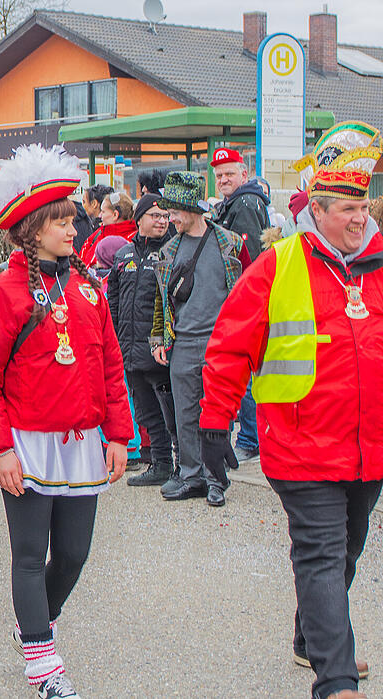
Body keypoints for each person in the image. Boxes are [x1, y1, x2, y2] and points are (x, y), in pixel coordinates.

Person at [199, 121, 383, 699]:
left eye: (364, 207)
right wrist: (214, 421)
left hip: (371, 444)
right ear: (318, 209)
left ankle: (311, 635)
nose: (359, 218)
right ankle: (336, 680)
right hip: (300, 445)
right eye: (346, 209)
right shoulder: (279, 265)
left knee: (348, 548)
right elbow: (230, 346)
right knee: (322, 553)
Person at [0, 145, 131, 699]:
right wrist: (0, 450)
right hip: (26, 445)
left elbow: (111, 365)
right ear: (32, 231)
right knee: (28, 555)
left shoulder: (88, 289)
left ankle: (34, 625)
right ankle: (43, 663)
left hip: (84, 441)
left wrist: (117, 434)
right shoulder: (0, 295)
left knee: (76, 554)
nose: (71, 227)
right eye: (60, 221)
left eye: (71, 218)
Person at [150, 172, 244, 506]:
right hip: (183, 344)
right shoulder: (168, 251)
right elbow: (162, 300)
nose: (170, 217)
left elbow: (246, 295)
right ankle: (191, 476)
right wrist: (158, 338)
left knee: (218, 416)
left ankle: (216, 478)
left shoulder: (230, 243)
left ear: (193, 209)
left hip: (221, 344)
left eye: (174, 210)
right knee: (185, 414)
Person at [107, 194, 177, 487]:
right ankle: (160, 464)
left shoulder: (173, 252)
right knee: (147, 414)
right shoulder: (123, 255)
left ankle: (185, 467)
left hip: (160, 352)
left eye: (164, 217)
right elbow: (112, 299)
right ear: (139, 220)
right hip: (129, 349)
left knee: (172, 415)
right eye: (155, 216)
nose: (161, 221)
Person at [209, 148, 271, 465]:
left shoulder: (245, 203)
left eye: (229, 174)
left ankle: (250, 438)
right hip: (245, 297)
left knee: (245, 373)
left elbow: (244, 259)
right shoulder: (234, 203)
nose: (223, 180)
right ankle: (250, 435)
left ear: (243, 174)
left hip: (246, 298)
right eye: (219, 175)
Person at [79, 192, 136, 267]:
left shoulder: (133, 241)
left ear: (115, 215)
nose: (100, 215)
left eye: (103, 212)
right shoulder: (99, 233)